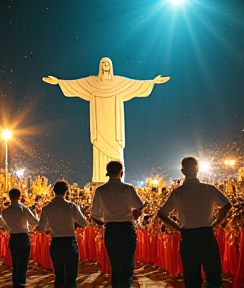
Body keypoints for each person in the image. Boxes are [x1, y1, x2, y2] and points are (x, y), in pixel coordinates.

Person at [42, 57, 170, 183]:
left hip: (114, 125)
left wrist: (152, 82)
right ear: (100, 67)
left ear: (111, 66)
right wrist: (59, 82)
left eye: (107, 65)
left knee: (116, 149)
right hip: (99, 124)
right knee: (99, 150)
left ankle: (118, 178)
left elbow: (135, 84)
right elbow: (76, 84)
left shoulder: (119, 83)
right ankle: (100, 178)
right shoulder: (92, 82)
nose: (105, 67)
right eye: (103, 65)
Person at [158, 156, 232, 288]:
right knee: (213, 275)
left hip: (188, 237)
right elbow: (226, 205)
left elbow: (162, 213)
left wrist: (177, 227)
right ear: (197, 169)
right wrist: (217, 222)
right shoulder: (208, 189)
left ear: (182, 170)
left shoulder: (178, 193)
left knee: (192, 278)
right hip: (206, 235)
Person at [91, 161, 144, 288]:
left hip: (111, 230)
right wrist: (133, 217)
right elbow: (139, 206)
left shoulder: (100, 190)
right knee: (127, 266)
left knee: (115, 266)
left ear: (108, 172)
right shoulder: (127, 189)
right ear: (121, 172)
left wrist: (104, 223)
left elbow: (94, 215)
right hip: (126, 229)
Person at [36, 181, 87, 288]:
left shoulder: (47, 208)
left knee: (59, 274)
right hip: (69, 242)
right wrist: (73, 225)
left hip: (56, 242)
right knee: (71, 275)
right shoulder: (71, 206)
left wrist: (50, 229)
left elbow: (41, 228)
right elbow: (84, 223)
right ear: (66, 191)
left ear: (53, 191)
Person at [2, 188, 39, 288]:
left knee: (15, 261)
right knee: (23, 261)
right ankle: (21, 281)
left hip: (13, 237)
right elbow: (35, 222)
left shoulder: (5, 212)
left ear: (9, 197)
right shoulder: (23, 208)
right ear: (19, 196)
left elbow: (3, 226)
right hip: (23, 237)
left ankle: (15, 281)